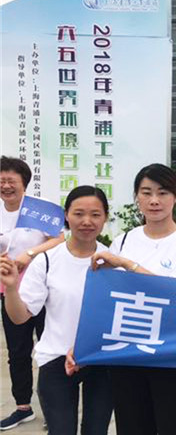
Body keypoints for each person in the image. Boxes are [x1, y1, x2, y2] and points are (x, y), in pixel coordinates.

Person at [90, 163, 176, 435]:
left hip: (170, 351)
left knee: (173, 427)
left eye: (163, 193)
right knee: (131, 426)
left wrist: (127, 265)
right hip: (127, 351)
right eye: (146, 192)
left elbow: (174, 293)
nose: (154, 200)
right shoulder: (123, 241)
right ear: (137, 197)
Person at [0, 186, 113, 434]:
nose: (86, 221)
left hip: (101, 359)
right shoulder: (47, 259)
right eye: (79, 213)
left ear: (105, 217)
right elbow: (20, 317)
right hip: (56, 359)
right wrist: (11, 288)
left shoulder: (114, 260)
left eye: (95, 214)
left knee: (96, 430)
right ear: (66, 216)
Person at [0, 156, 64, 430]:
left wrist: (30, 253)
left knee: (49, 348)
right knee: (18, 350)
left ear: (24, 183)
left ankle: (55, 408)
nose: (6, 186)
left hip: (43, 288)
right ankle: (22, 407)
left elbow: (60, 238)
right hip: (10, 290)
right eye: (1, 181)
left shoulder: (39, 209)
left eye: (11, 181)